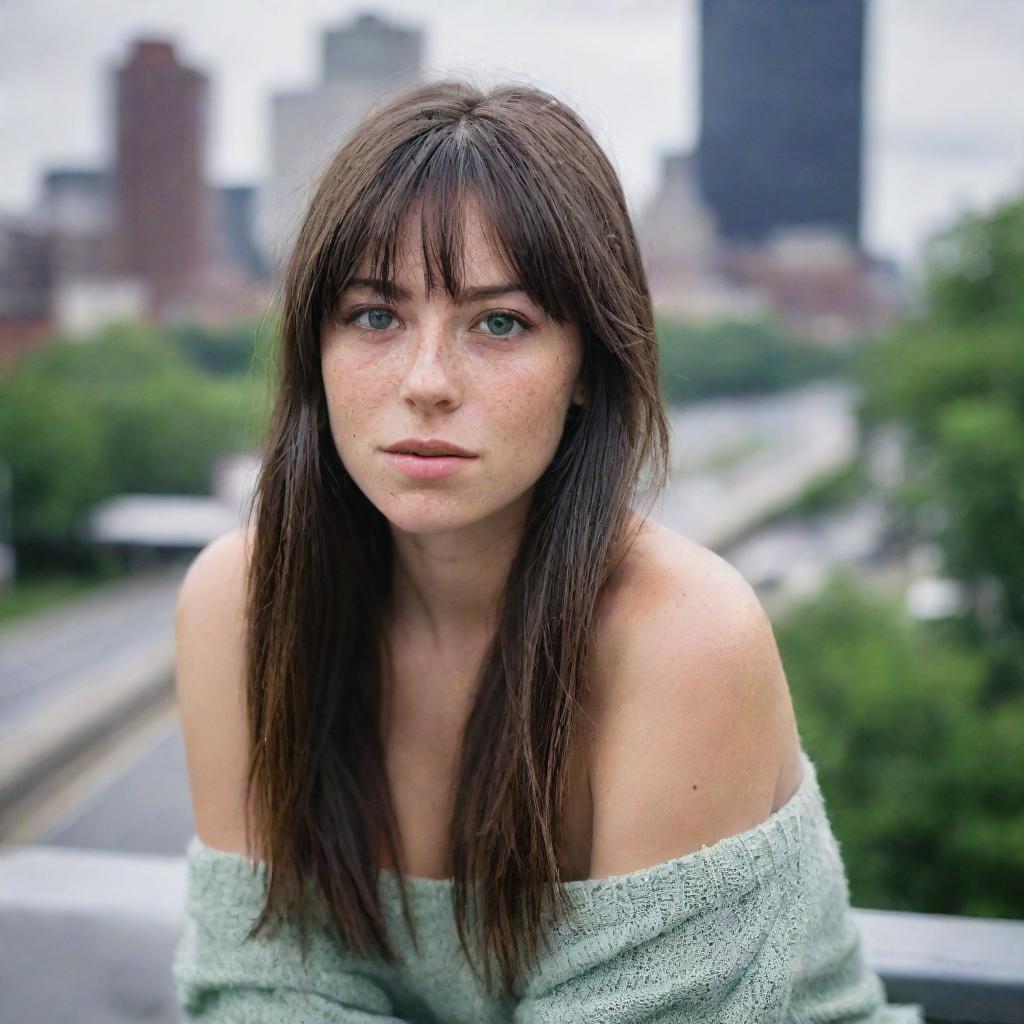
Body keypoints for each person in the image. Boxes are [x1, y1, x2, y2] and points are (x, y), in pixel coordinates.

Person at [171, 77, 923, 1022]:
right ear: (313, 351)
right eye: (374, 315)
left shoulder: (683, 638)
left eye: (500, 323)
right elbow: (264, 993)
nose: (428, 382)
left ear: (585, 369)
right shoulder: (242, 606)